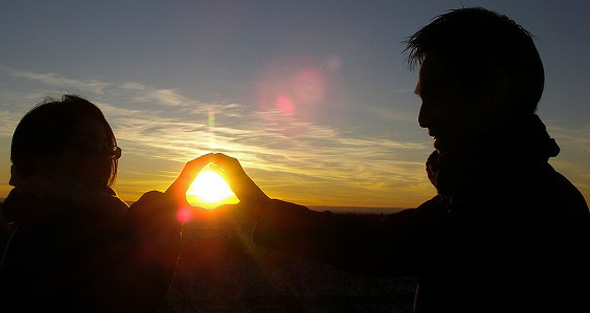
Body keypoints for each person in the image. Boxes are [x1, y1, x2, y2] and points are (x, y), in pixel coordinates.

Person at [209, 8, 590, 313]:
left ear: (492, 92)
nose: (423, 120)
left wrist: (262, 211)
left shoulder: (522, 212)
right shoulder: (484, 195)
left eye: (436, 97)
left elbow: (382, 246)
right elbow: (386, 240)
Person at [0, 95, 211, 313]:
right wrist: (161, 227)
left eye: (107, 146)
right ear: (43, 156)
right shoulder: (53, 235)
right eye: (89, 145)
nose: (104, 157)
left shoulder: (49, 216)